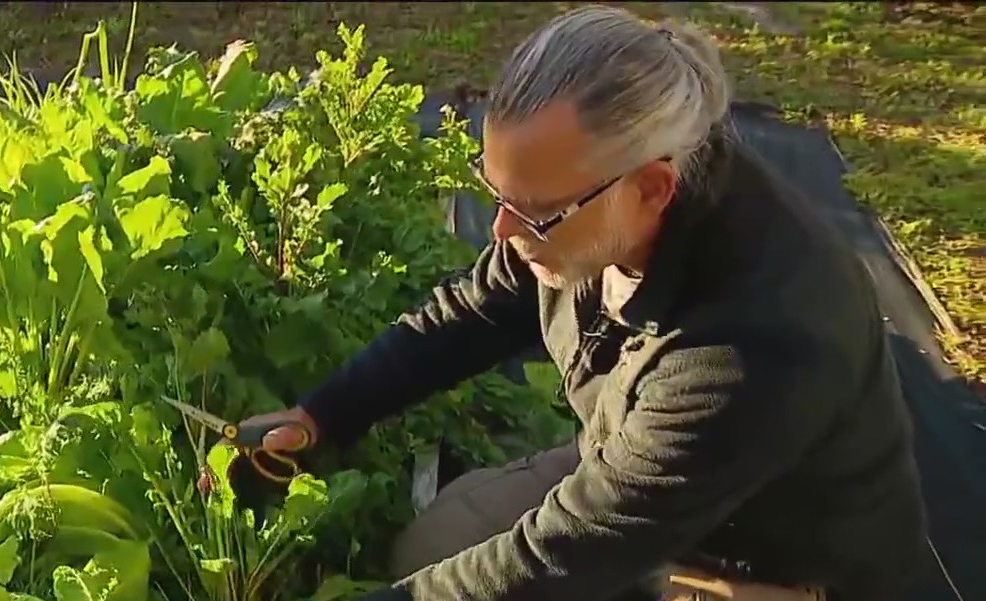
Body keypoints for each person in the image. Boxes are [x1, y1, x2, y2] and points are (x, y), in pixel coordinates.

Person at [235, 6, 929, 601]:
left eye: (533, 212)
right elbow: (472, 311)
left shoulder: (754, 345)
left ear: (652, 189)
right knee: (434, 547)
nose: (503, 232)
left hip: (768, 565)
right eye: (498, 196)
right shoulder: (591, 206)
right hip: (633, 471)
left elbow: (567, 552)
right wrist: (321, 415)